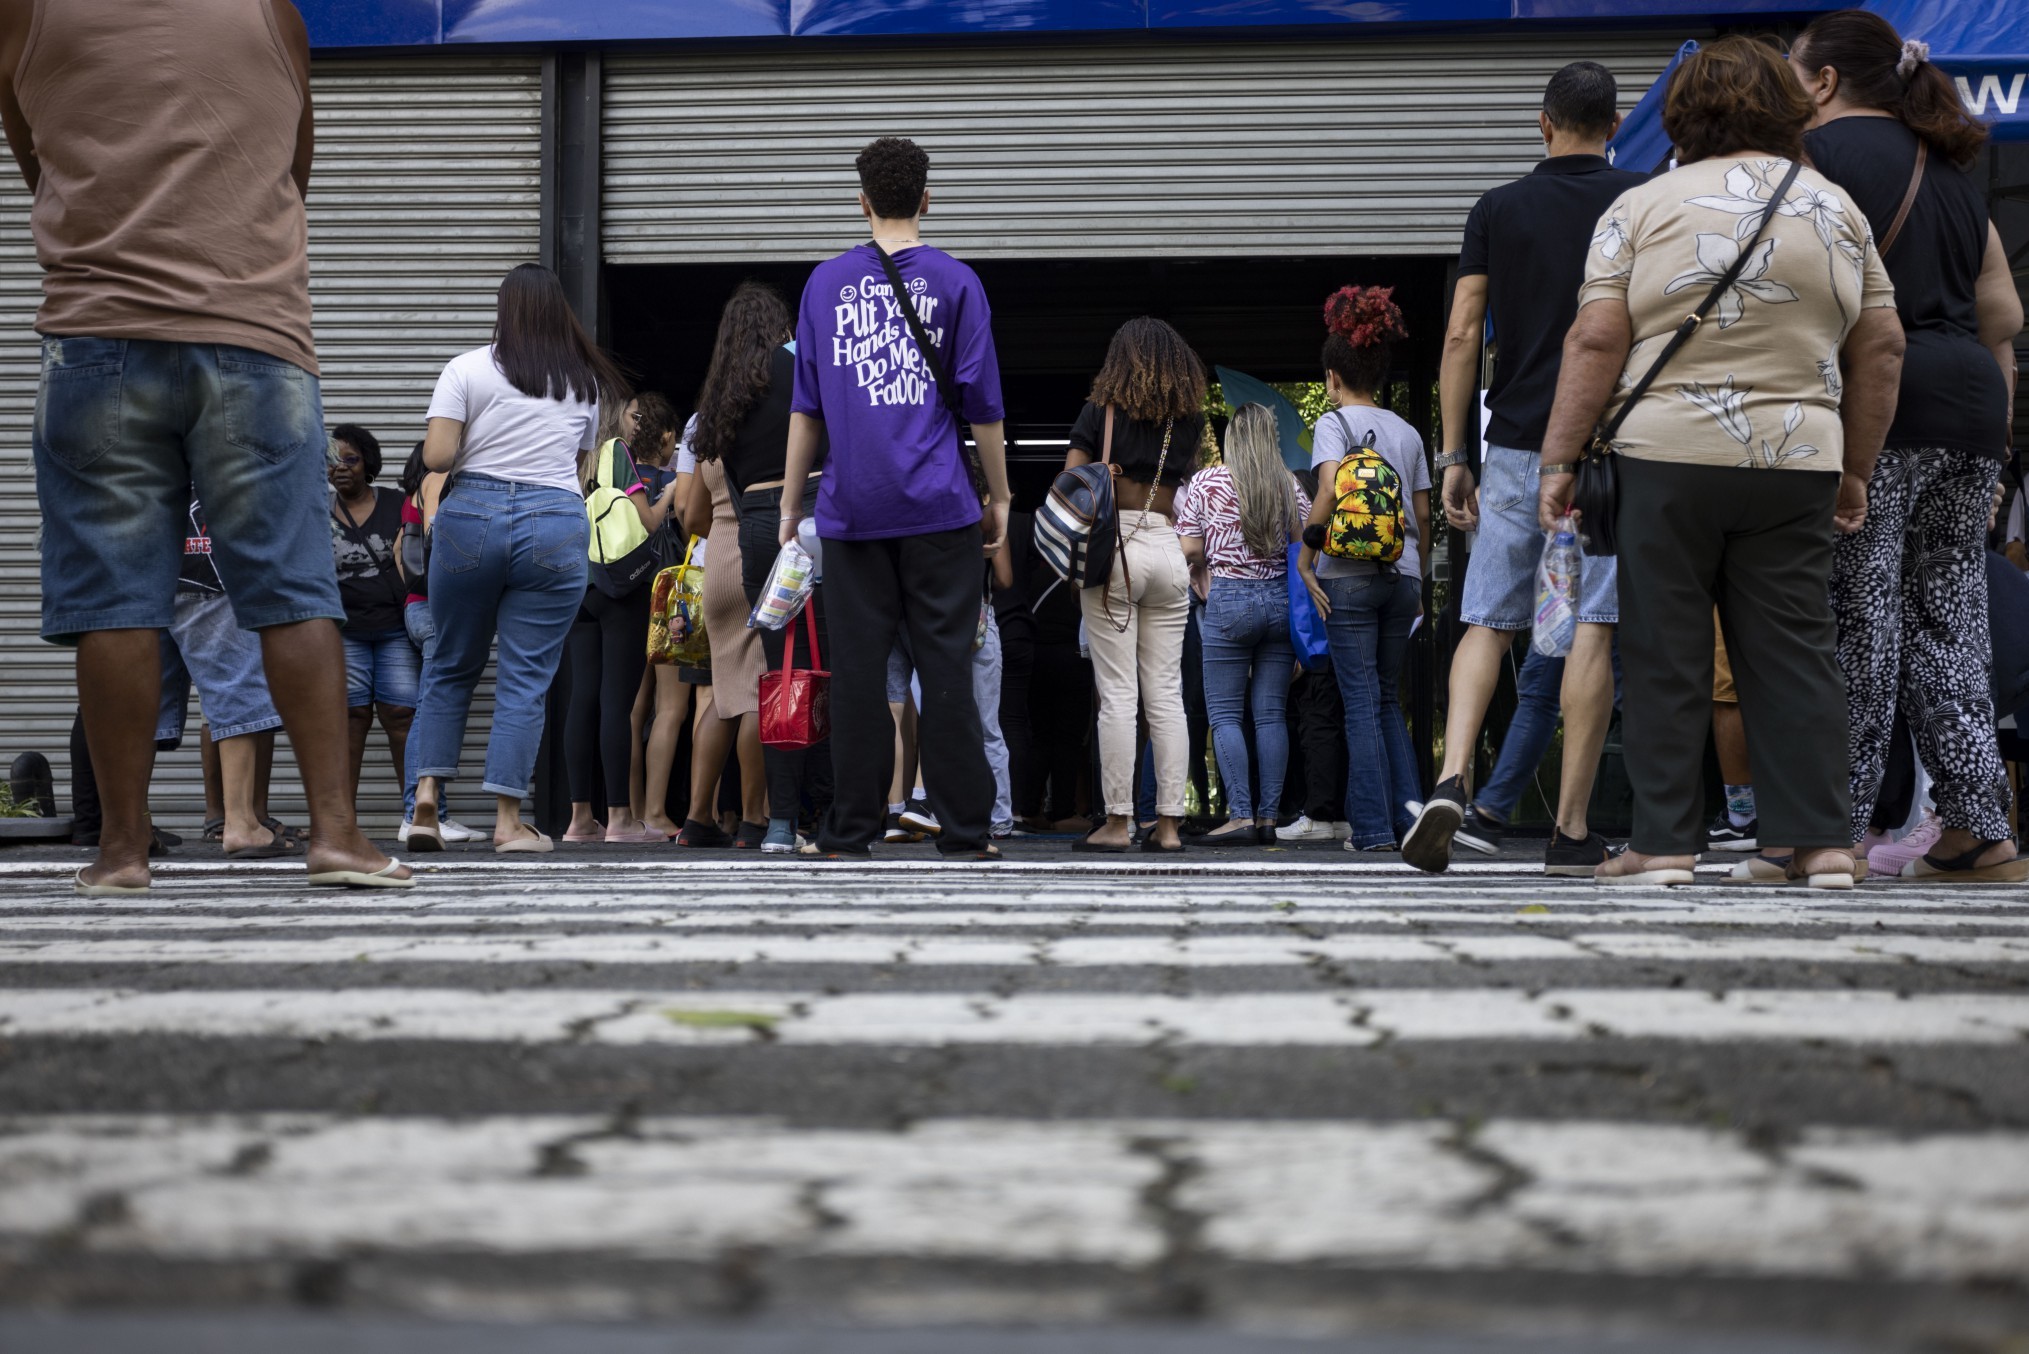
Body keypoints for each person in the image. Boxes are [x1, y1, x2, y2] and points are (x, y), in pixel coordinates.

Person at [2, 0, 407, 893]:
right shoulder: (271, 13)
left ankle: (121, 851)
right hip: (253, 337)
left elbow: (35, 159)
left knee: (114, 601)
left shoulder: (28, 12)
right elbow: (294, 168)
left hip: (95, 335)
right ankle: (338, 837)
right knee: (293, 588)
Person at [1536, 35, 1904, 888]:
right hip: (1798, 461)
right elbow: (1883, 346)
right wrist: (1853, 468)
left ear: (1681, 113)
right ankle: (1818, 844)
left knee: (1664, 648)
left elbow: (1595, 338)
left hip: (1665, 456)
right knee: (1795, 648)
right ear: (1787, 106)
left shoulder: (1639, 206)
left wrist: (1558, 459)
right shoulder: (1835, 209)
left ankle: (1664, 843)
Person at [1791, 9, 2028, 883]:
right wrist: (1996, 439)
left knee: (1859, 619)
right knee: (1951, 623)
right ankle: (1978, 830)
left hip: (1881, 403)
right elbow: (2002, 315)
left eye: (1792, 73)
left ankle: (1831, 832)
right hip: (1971, 412)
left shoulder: (1812, 159)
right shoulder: (1954, 172)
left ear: (1822, 81)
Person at [1405, 60, 1646, 877]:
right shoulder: (1641, 200)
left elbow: (1460, 333)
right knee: (1591, 626)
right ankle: (1569, 830)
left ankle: (1450, 778)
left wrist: (1454, 455)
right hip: (1608, 447)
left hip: (1512, 445)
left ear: (1542, 124)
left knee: (1488, 618)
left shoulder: (1497, 208)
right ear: (1614, 127)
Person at [779, 136, 1013, 861]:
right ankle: (966, 831)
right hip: (941, 508)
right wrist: (1001, 497)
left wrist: (790, 507)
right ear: (926, 200)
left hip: (852, 511)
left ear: (862, 201)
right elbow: (983, 409)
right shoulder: (958, 282)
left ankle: (849, 831)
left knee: (856, 674)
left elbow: (806, 409)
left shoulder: (824, 285)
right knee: (945, 669)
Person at [407, 263, 620, 854]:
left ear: (504, 310)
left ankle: (426, 798)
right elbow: (578, 465)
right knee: (525, 679)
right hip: (553, 519)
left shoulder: (465, 368)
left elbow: (437, 457)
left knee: (449, 665)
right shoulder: (583, 381)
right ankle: (508, 822)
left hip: (471, 516)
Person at [1062, 316, 1207, 854]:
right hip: (1167, 549)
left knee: (1119, 694)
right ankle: (1168, 827)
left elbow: (1071, 487)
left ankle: (1118, 823)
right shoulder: (1188, 421)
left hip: (1114, 551)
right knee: (1166, 695)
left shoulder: (1097, 413)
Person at [1296, 287, 1432, 853]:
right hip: (1403, 576)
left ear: (1333, 377)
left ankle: (1373, 829)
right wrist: (1419, 584)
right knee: (1384, 698)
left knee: (1358, 701)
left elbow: (1329, 491)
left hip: (1346, 576)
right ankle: (1411, 819)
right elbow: (1422, 516)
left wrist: (1306, 559)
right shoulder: (1409, 432)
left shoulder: (1334, 424)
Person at [692, 282, 827, 852]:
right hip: (812, 514)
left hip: (752, 530)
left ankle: (777, 822)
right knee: (832, 664)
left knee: (778, 675)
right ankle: (828, 811)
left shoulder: (720, 397)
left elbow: (705, 499)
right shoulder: (799, 364)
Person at [1176, 404, 1310, 845]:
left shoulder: (1207, 482)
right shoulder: (1288, 484)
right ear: (1270, 438)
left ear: (1232, 438)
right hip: (1279, 602)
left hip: (1229, 601)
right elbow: (1305, 546)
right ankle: (1269, 818)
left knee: (1225, 714)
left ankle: (1241, 815)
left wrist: (1212, 560)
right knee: (1271, 715)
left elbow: (1189, 550)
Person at [560, 394, 683, 845]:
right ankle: (620, 819)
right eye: (634, 415)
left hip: (580, 584)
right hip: (621, 588)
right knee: (617, 702)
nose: (638, 424)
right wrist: (671, 492)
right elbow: (647, 522)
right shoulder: (617, 453)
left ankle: (579, 819)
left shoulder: (575, 460)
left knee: (582, 699)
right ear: (615, 418)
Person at [159, 500, 295, 859]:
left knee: (144, 702)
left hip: (142, 563)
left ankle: (130, 827)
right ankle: (241, 823)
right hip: (207, 566)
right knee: (235, 690)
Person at [679, 430, 769, 848]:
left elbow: (692, 516)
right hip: (756, 553)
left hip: (716, 562)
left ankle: (698, 817)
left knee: (724, 691)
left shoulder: (709, 429)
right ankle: (754, 819)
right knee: (757, 689)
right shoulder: (769, 421)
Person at [328, 423, 419, 817]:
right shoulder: (318, 511)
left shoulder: (397, 503)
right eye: (333, 461)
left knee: (401, 715)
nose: (341, 467)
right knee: (351, 719)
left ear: (368, 463)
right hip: (344, 631)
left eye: (350, 459)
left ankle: (415, 815)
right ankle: (342, 821)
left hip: (395, 629)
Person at [392, 443, 478, 845]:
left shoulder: (413, 492)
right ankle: (419, 814)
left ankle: (431, 811)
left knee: (431, 703)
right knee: (431, 707)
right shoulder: (440, 478)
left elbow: (399, 549)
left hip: (417, 606)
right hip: (436, 609)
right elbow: (438, 536)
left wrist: (413, 593)